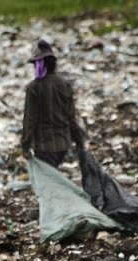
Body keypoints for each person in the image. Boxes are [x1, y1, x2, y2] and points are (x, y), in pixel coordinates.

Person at [21, 39, 85, 168]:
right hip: (63, 144)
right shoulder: (65, 85)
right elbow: (71, 117)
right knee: (52, 177)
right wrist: (79, 142)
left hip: (44, 146)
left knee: (47, 183)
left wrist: (25, 146)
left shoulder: (34, 88)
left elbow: (30, 120)